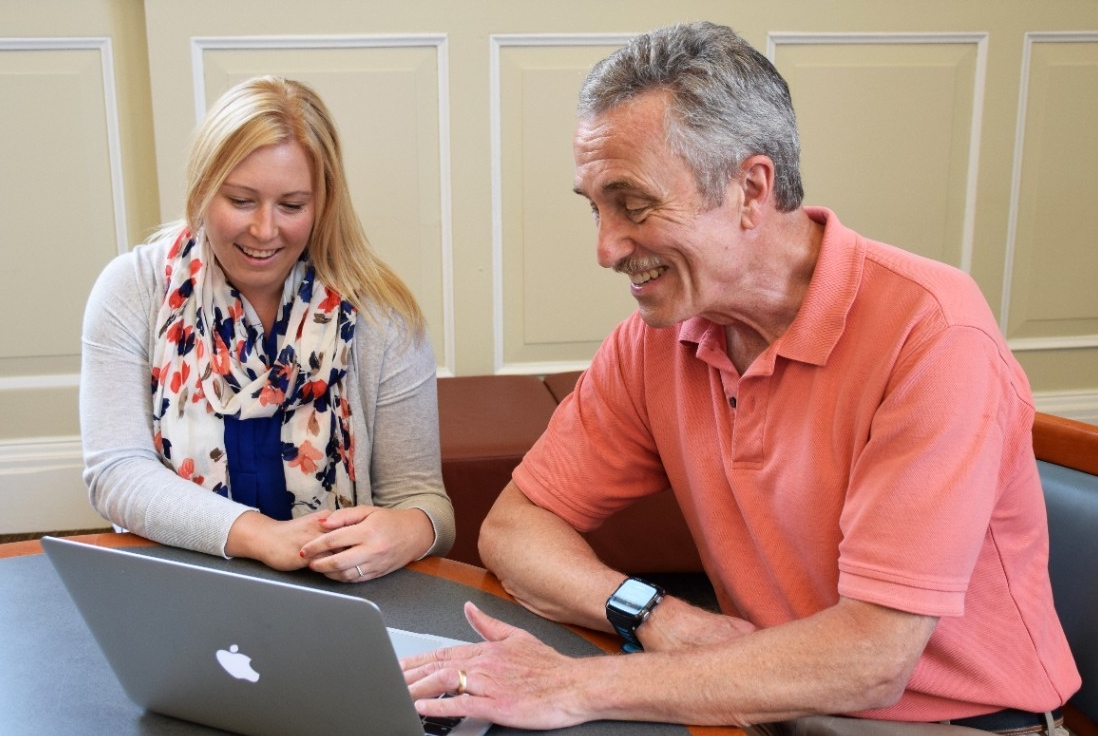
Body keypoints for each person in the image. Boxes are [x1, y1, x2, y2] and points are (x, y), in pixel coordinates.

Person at [401, 21, 1080, 735]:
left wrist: (581, 686)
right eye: (594, 207)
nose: (605, 248)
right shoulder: (656, 340)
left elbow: (875, 658)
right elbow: (515, 528)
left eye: (633, 205)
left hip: (948, 724)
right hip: (758, 701)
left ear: (752, 190)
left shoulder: (934, 334)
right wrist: (649, 611)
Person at [81, 76, 454, 581]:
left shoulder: (382, 316)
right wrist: (261, 537)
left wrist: (410, 529)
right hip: (176, 585)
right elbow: (117, 474)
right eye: (240, 200)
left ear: (323, 204)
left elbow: (425, 502)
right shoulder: (133, 289)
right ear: (202, 190)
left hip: (336, 596)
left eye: (292, 206)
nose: (264, 229)